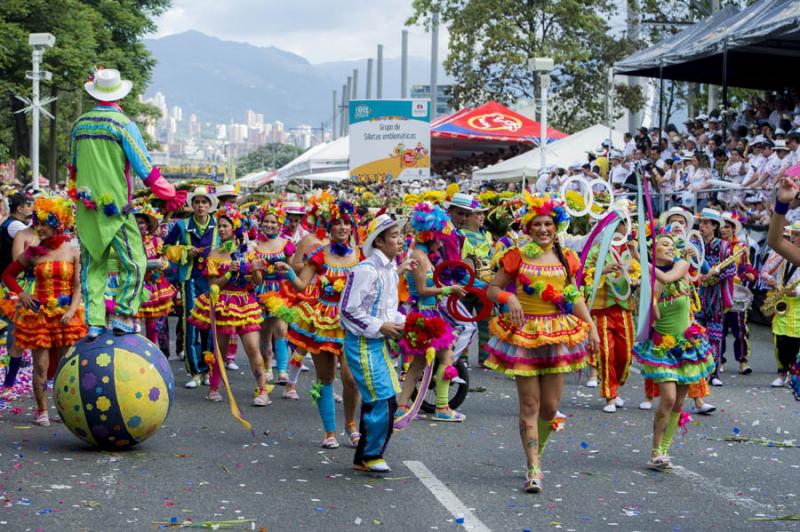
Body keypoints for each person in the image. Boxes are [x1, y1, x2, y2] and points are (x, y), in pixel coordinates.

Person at [484, 192, 599, 494]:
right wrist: (508, 297)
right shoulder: (516, 256)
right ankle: (533, 466)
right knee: (530, 404)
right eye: (537, 224)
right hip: (525, 334)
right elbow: (492, 289)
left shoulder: (567, 257)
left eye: (548, 224)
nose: (543, 229)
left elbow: (573, 296)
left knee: (549, 408)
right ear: (528, 227)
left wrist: (591, 328)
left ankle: (538, 453)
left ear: (556, 225)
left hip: (559, 335)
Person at [68, 67, 185, 337]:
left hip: (87, 209)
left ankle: (95, 322)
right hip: (116, 209)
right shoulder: (123, 124)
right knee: (135, 262)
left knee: (92, 266)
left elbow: (72, 167)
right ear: (119, 93)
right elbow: (144, 167)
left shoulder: (80, 124)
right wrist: (169, 194)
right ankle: (122, 314)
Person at [279, 198, 361, 449]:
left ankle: (350, 425)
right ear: (329, 226)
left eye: (346, 223)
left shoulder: (360, 254)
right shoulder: (318, 253)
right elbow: (302, 285)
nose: (342, 227)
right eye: (337, 223)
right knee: (325, 378)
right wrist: (288, 271)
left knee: (350, 378)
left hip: (351, 320)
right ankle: (329, 432)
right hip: (323, 321)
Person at [1, 196, 87, 426]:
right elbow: (8, 274)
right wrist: (23, 294)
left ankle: (63, 408)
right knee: (40, 365)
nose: (39, 228)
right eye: (36, 223)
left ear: (56, 223)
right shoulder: (34, 253)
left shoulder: (73, 250)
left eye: (43, 224)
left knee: (65, 366)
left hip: (65, 315)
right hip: (39, 315)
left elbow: (78, 285)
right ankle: (42, 410)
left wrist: (71, 310)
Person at [340, 214, 416, 473]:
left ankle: (366, 455)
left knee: (383, 397)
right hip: (361, 343)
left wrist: (407, 324)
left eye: (399, 235)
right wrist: (379, 326)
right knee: (381, 398)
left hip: (378, 343)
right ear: (379, 242)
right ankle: (369, 455)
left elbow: (387, 310)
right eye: (394, 236)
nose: (400, 241)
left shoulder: (389, 272)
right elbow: (347, 311)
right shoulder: (364, 270)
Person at [633, 231, 715, 470]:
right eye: (664, 244)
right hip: (663, 347)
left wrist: (641, 259)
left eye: (672, 244)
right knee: (667, 399)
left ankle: (665, 450)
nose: (670, 247)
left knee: (679, 403)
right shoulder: (651, 281)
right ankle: (656, 450)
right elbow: (654, 316)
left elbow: (669, 279)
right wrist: (646, 298)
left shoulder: (681, 265)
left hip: (687, 345)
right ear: (654, 251)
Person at [189, 204, 270, 406]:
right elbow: (213, 285)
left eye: (226, 226)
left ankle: (262, 391)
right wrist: (228, 273)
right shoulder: (214, 254)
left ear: (235, 228)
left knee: (252, 348)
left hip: (245, 303)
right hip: (223, 303)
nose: (222, 229)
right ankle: (214, 388)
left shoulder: (248, 251)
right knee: (220, 350)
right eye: (220, 226)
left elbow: (258, 282)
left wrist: (256, 270)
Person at [395, 203, 466, 422]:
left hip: (430, 313)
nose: (441, 242)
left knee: (418, 363)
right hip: (425, 315)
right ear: (431, 235)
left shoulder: (423, 254)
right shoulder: (418, 256)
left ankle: (402, 405)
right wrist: (448, 289)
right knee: (446, 357)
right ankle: (442, 407)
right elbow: (423, 290)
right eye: (439, 238)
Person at [582, 210, 640, 413]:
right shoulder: (598, 250)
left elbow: (642, 273)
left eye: (625, 225)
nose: (625, 229)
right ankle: (610, 396)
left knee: (625, 355)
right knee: (606, 353)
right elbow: (584, 274)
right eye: (621, 224)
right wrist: (602, 271)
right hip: (602, 308)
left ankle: (616, 386)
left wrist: (635, 262)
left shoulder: (630, 249)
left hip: (624, 308)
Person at [164, 187, 220, 389]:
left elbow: (231, 246)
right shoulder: (182, 225)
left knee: (211, 325)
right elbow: (166, 247)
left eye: (204, 202)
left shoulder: (217, 225)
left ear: (209, 205)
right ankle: (195, 372)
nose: (200, 206)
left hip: (213, 282)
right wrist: (185, 250)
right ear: (192, 205)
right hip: (190, 280)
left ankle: (209, 369)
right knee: (191, 325)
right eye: (196, 202)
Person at [253, 203, 296, 395]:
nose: (270, 225)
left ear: (280, 225)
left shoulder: (286, 243)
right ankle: (268, 367)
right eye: (266, 222)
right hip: (261, 289)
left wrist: (285, 270)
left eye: (274, 222)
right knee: (265, 332)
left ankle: (284, 370)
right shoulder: (255, 245)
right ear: (260, 223)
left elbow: (292, 267)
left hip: (280, 289)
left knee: (281, 328)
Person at [694, 208, 735, 387]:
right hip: (697, 295)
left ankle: (714, 373)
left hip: (715, 296)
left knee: (715, 336)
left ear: (714, 226)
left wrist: (714, 275)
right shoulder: (694, 245)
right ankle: (697, 371)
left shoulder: (724, 246)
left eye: (706, 223)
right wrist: (699, 276)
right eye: (701, 223)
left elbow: (731, 269)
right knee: (696, 334)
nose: (702, 226)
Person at [133, 204, 177, 346]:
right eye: (136, 222)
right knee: (134, 326)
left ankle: (151, 352)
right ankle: (135, 353)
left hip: (153, 287)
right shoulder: (126, 242)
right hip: (134, 285)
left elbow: (166, 261)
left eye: (142, 222)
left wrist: (162, 264)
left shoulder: (156, 241)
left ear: (147, 225)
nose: (139, 225)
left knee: (152, 328)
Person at [719, 212, 754, 375]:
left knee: (740, 329)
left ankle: (743, 361)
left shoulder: (741, 247)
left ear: (733, 229)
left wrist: (750, 273)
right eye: (721, 226)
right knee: (719, 329)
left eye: (727, 226)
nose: (723, 229)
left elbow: (748, 267)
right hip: (718, 291)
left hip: (737, 292)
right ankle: (719, 361)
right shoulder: (715, 245)